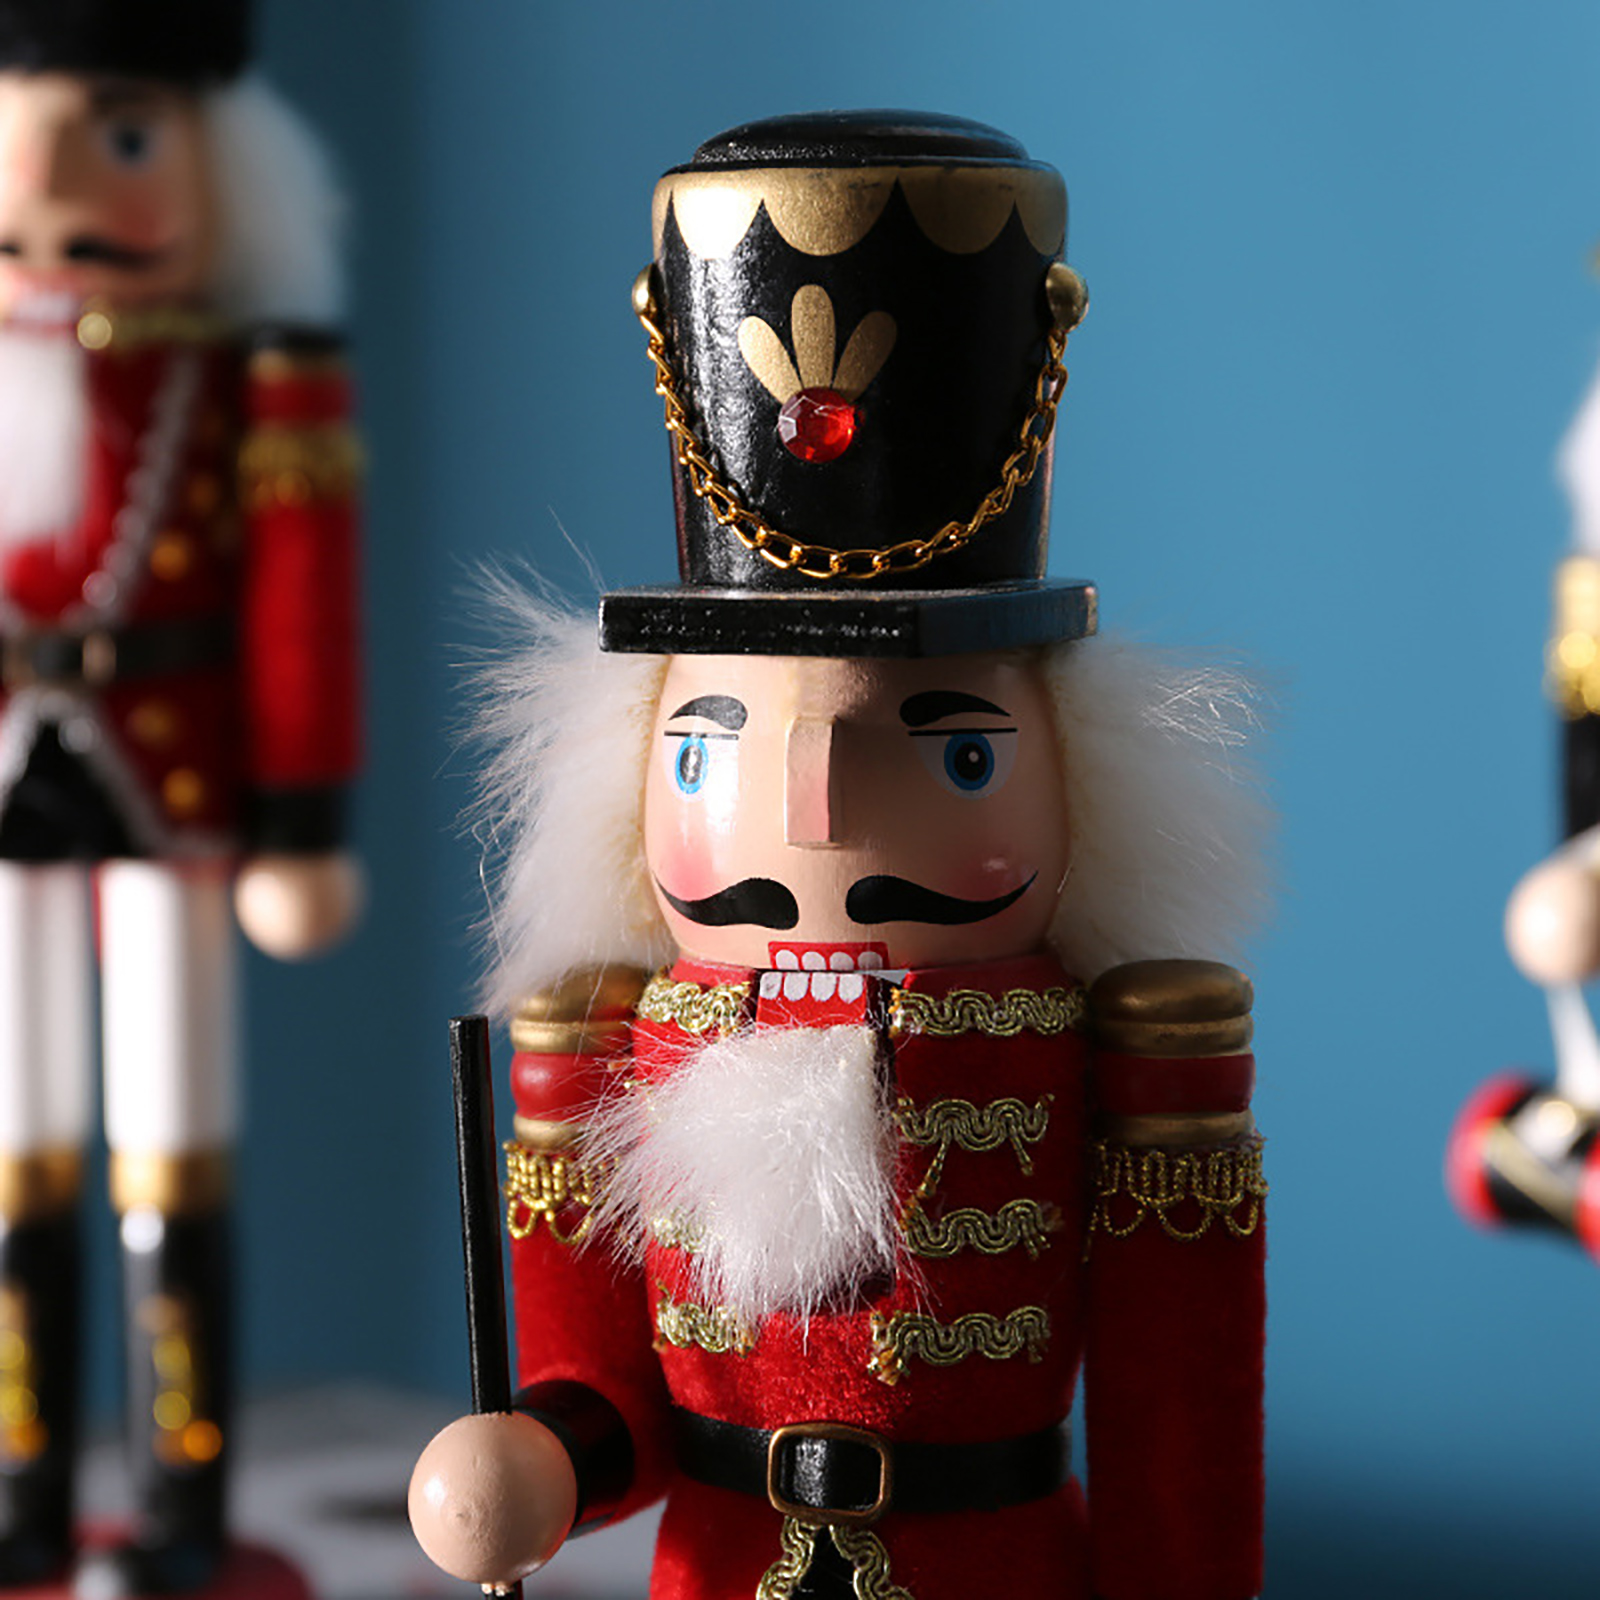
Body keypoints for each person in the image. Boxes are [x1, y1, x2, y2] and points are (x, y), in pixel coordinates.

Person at [411, 112, 1267, 1600]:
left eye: (957, 755)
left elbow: (1175, 1412)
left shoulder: (1116, 1047)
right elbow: (601, 1391)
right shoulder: (615, 1034)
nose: (811, 812)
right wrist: (535, 1463)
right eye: (711, 751)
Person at [0, 1, 361, 1591]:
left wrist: (302, 821)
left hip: (176, 783)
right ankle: (21, 1486)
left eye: (125, 136)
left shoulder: (255, 381)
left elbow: (303, 605)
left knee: (174, 1138)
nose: (48, 187)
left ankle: (179, 1506)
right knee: (16, 1141)